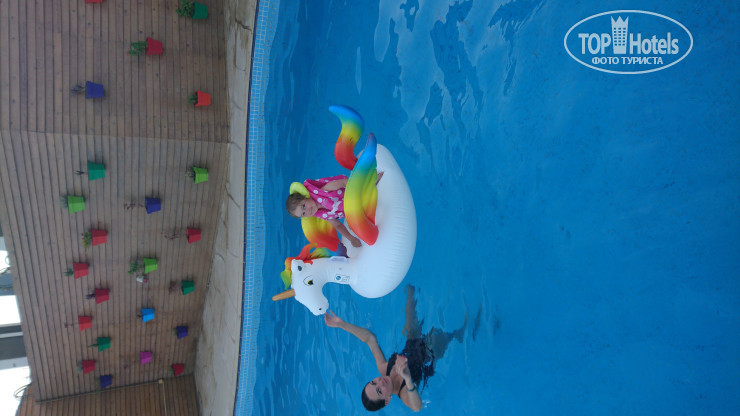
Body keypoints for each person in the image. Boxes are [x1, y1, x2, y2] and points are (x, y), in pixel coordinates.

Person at [324, 285, 466, 412]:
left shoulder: (383, 369)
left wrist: (342, 325)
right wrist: (408, 379)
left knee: (410, 300)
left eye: (374, 382)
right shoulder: (404, 394)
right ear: (387, 401)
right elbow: (417, 407)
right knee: (440, 336)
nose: (380, 382)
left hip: (412, 343)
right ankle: (462, 331)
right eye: (379, 391)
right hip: (428, 357)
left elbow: (370, 339)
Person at [286, 172, 383, 248]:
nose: (307, 211)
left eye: (303, 206)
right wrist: (351, 238)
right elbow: (337, 225)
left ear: (305, 197)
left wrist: (366, 187)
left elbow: (343, 182)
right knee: (354, 224)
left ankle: (372, 182)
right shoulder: (320, 213)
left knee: (365, 192)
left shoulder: (324, 190)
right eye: (303, 214)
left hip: (355, 194)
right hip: (353, 209)